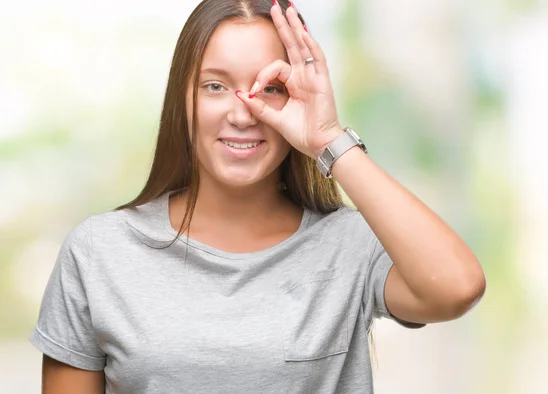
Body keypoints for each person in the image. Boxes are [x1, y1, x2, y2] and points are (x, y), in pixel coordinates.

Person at [30, 0, 486, 393]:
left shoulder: (348, 244)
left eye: (271, 88)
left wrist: (329, 138)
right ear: (182, 100)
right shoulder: (99, 252)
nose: (242, 112)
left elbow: (457, 287)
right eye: (215, 86)